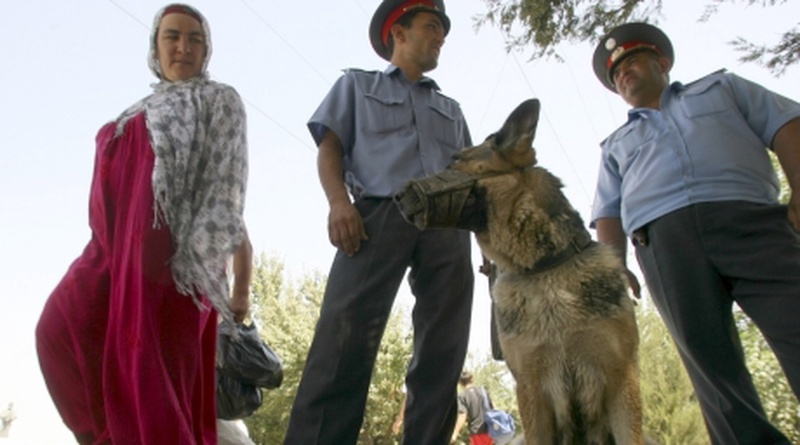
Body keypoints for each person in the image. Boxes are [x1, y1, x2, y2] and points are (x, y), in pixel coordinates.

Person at [35, 4, 252, 444]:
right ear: (155, 45)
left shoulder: (218, 99)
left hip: (173, 258)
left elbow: (227, 187)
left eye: (195, 39)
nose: (183, 46)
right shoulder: (131, 114)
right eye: (172, 36)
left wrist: (202, 269)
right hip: (111, 252)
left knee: (152, 382)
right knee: (58, 327)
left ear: (206, 50)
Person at [591, 22, 800, 445]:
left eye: (631, 62)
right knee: (711, 367)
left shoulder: (722, 89)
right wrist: (614, 268)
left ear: (661, 62)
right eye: (616, 75)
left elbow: (785, 123)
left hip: (753, 223)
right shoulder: (616, 144)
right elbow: (607, 212)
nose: (623, 74)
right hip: (665, 245)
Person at [283, 1, 474, 444]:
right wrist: (338, 203)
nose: (440, 37)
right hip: (378, 213)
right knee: (343, 339)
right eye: (431, 26)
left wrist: (486, 251)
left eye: (443, 30)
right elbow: (329, 147)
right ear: (398, 32)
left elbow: (472, 180)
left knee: (444, 350)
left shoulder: (452, 108)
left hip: (448, 225)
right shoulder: (356, 85)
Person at [451, 372, 492, 445]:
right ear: (472, 380)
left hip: (477, 431)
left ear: (460, 383)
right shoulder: (483, 392)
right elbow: (494, 408)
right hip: (491, 430)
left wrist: (455, 433)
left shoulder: (462, 396)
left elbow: (462, 415)